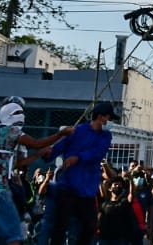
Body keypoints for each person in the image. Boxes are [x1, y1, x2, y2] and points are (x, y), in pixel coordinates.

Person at [0, 102, 72, 245]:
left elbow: (18, 164)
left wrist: (38, 154)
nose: (22, 116)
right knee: (15, 235)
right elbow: (36, 143)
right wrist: (60, 134)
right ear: (7, 115)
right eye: (17, 113)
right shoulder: (10, 130)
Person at [47, 101, 115, 245]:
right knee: (60, 226)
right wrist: (47, 154)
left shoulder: (106, 136)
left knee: (90, 226)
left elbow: (98, 153)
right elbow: (59, 146)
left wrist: (78, 158)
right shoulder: (77, 131)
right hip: (68, 186)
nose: (110, 122)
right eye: (109, 118)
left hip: (87, 190)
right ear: (101, 117)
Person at [96, 177, 142, 245]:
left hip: (119, 239)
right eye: (115, 184)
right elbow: (99, 217)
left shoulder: (124, 202)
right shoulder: (105, 203)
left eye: (120, 185)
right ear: (110, 188)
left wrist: (130, 180)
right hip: (104, 238)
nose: (118, 186)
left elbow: (131, 195)